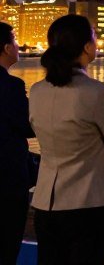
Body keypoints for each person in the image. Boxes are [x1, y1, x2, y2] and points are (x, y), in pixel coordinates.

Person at [29, 14, 104, 265]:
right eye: (94, 36)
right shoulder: (98, 92)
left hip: (46, 202)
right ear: (87, 47)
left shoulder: (37, 91)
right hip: (89, 204)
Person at [0, 22, 32, 265]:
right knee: (7, 246)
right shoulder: (11, 86)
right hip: (8, 179)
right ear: (6, 48)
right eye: (15, 40)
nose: (18, 46)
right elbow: (27, 125)